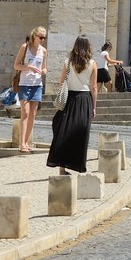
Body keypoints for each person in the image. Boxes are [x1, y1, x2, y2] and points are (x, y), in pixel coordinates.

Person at [46, 33, 97, 176]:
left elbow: (62, 82)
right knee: (81, 132)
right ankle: (79, 166)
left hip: (70, 99)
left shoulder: (67, 62)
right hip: (84, 99)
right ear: (88, 47)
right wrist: (94, 106)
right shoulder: (92, 64)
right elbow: (93, 87)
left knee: (65, 131)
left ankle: (62, 167)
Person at [12, 26, 47, 153]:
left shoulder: (43, 51)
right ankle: (21, 143)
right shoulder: (25, 47)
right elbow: (16, 65)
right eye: (40, 37)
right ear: (34, 36)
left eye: (44, 37)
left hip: (37, 84)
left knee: (33, 114)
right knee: (25, 113)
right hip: (24, 83)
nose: (42, 40)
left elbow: (44, 67)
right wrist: (29, 68)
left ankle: (26, 142)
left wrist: (43, 71)